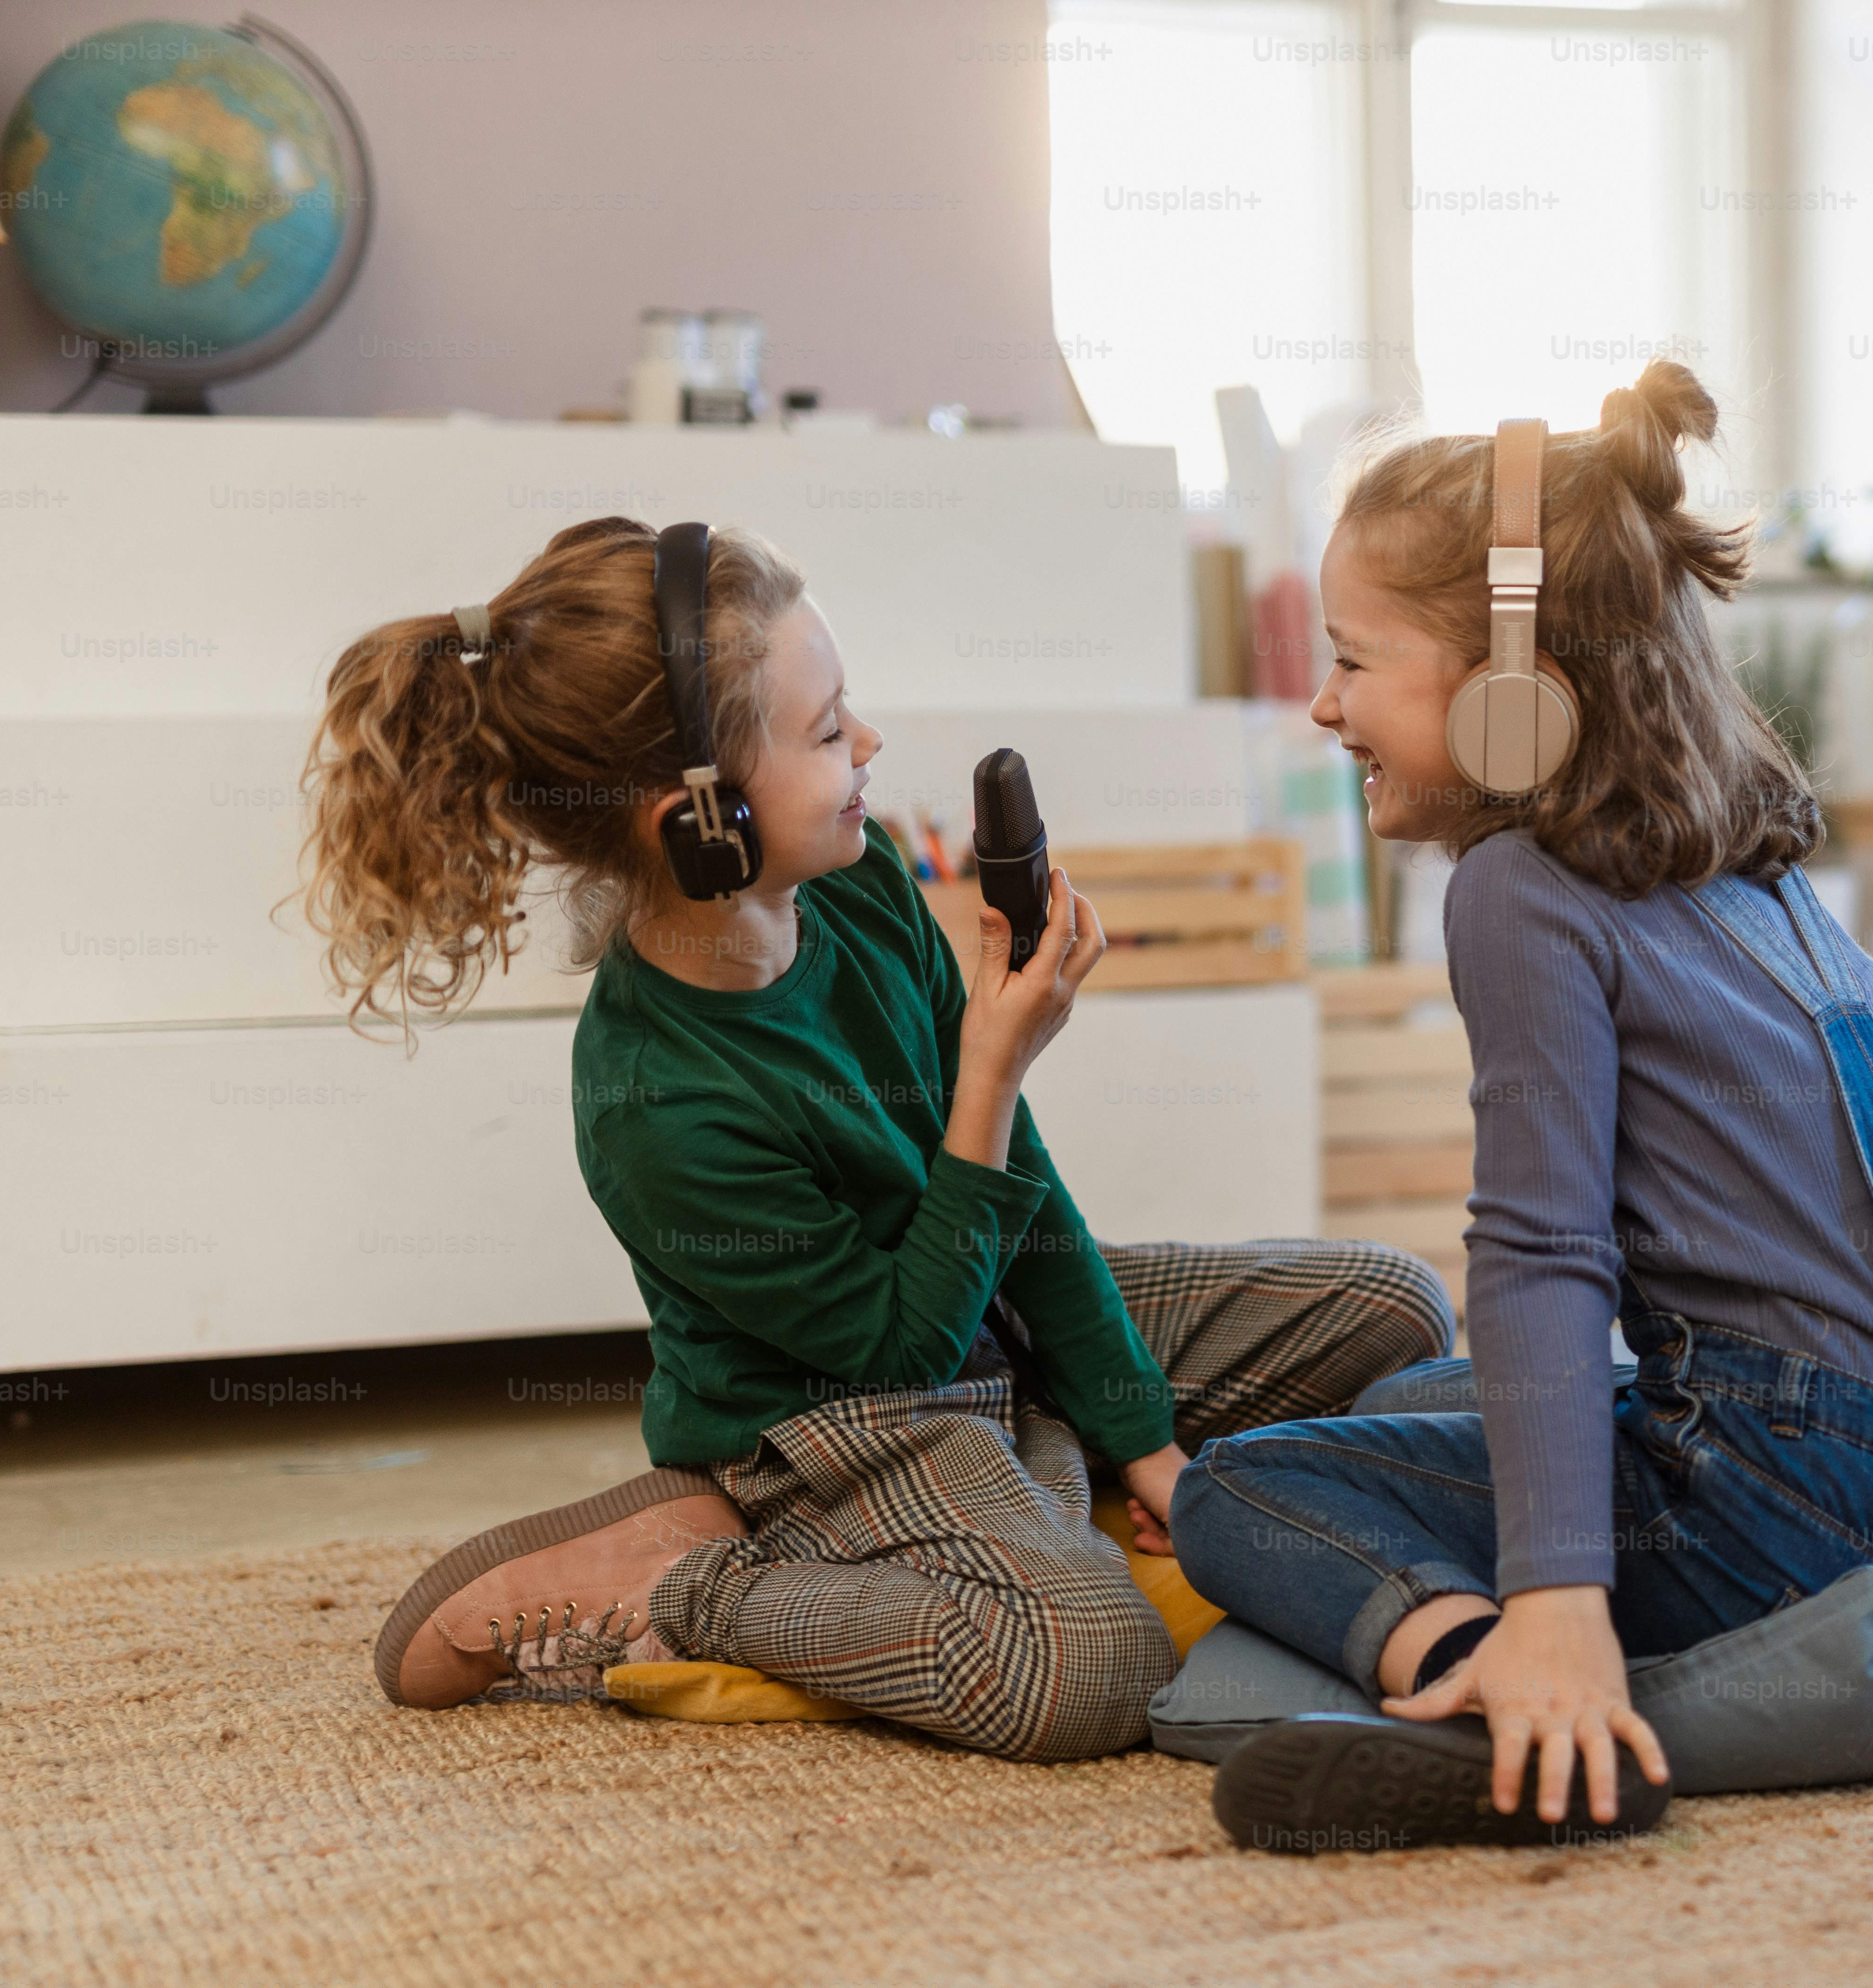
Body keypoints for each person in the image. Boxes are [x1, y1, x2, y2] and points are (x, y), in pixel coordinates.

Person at [304, 516, 1451, 1759]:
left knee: (1392, 1304)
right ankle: (692, 1580)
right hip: (836, 1420)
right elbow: (905, 1348)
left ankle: (1049, 1472)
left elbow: (1031, 1197)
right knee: (1087, 1664)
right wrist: (992, 1073)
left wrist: (1147, 1440)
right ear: (695, 818)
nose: (871, 744)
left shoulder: (856, 884)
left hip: (979, 1309)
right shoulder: (657, 1104)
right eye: (824, 729)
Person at [1168, 363, 1873, 1847]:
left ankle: (1504, 1687)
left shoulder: (1521, 888)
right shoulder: (1755, 873)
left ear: (1510, 688)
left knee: (1240, 1494)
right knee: (1413, 1397)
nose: (1322, 703)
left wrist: (1558, 1591)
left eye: (1355, 661)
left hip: (1789, 1512)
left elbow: (1546, 1252)